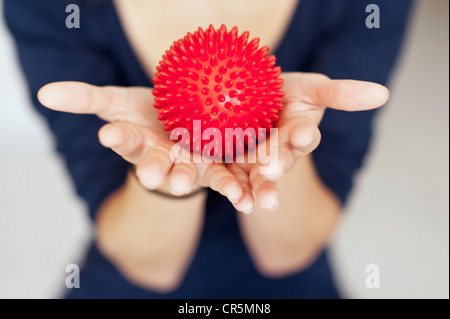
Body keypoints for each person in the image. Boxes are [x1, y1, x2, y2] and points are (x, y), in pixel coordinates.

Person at [4, 0, 413, 298]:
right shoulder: (50, 8)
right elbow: (152, 268)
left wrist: (276, 155)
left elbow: (287, 253)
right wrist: (169, 185)